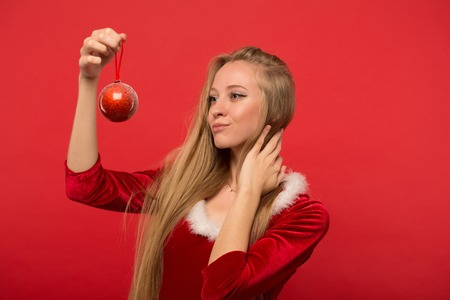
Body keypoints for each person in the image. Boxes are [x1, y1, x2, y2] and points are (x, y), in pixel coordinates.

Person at [65, 28, 329, 300]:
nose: (216, 109)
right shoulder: (184, 184)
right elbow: (84, 187)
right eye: (212, 98)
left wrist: (249, 191)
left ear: (274, 110)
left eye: (235, 96)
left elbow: (221, 290)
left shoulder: (303, 217)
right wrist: (88, 79)